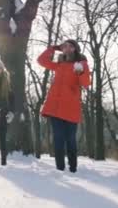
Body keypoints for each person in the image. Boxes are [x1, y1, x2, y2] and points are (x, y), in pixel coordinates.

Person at [37, 39, 90, 173]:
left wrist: (80, 72)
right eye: (65, 46)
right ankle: (59, 169)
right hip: (56, 108)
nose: (67, 48)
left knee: (70, 140)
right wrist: (52, 48)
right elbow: (41, 61)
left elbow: (85, 83)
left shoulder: (81, 63)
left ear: (75, 49)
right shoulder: (59, 65)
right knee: (58, 139)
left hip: (71, 108)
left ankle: (73, 168)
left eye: (70, 46)